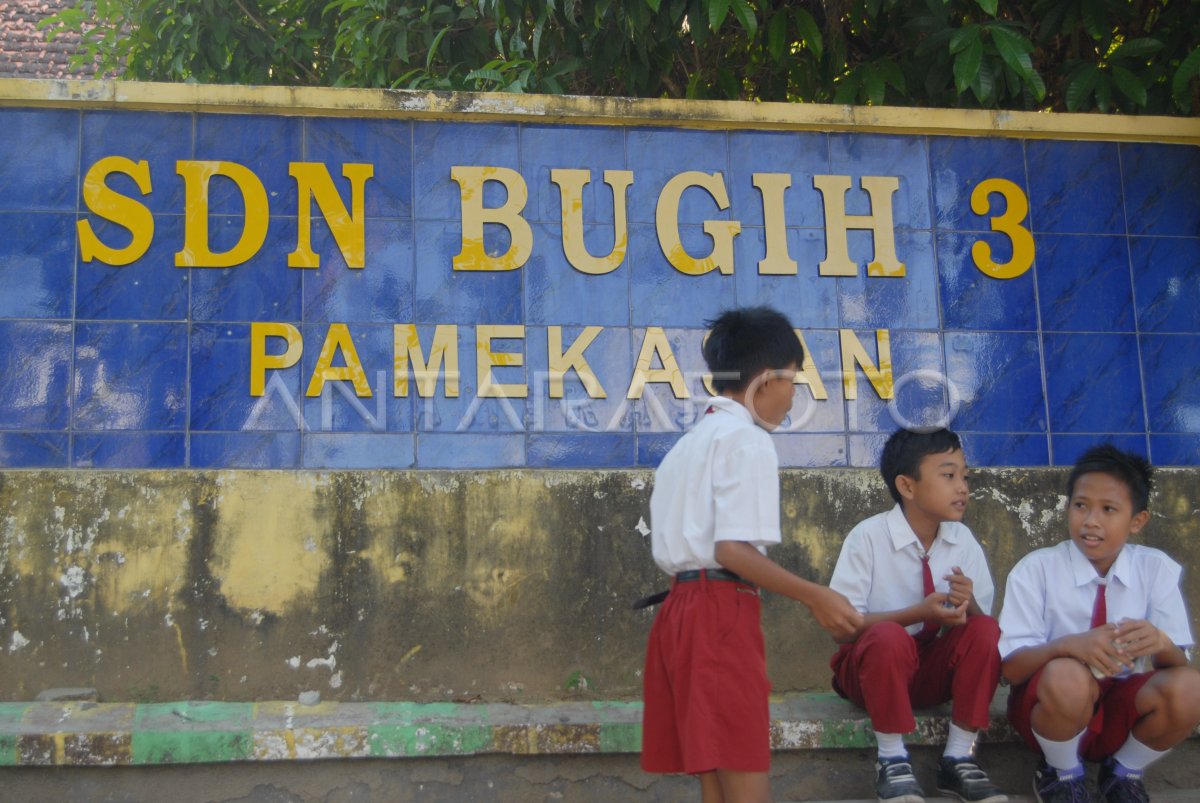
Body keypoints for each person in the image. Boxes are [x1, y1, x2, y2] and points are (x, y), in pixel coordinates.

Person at [640, 306, 863, 803]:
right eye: (794, 382)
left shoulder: (687, 446)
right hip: (720, 612)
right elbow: (732, 550)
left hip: (680, 612)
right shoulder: (748, 441)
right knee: (741, 765)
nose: (793, 397)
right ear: (767, 379)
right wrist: (815, 595)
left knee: (715, 772)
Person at [998, 444, 1200, 803]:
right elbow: (1011, 670)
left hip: (1121, 709)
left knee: (1191, 688)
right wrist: (1067, 646)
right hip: (1050, 713)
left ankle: (1123, 772)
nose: (1091, 520)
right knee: (1067, 674)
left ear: (1137, 521)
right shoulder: (1036, 570)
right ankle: (1061, 774)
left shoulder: (1155, 569)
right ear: (1067, 508)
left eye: (1108, 509)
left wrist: (1161, 643)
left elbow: (1178, 666)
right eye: (1080, 505)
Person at [828, 427, 1006, 803]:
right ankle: (891, 759)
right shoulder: (868, 537)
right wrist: (917, 612)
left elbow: (980, 634)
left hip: (928, 674)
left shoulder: (963, 540)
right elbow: (842, 629)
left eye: (964, 476)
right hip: (870, 673)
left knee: (986, 629)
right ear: (907, 487)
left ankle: (959, 757)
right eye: (948, 476)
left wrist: (967, 603)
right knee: (889, 636)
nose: (962, 487)